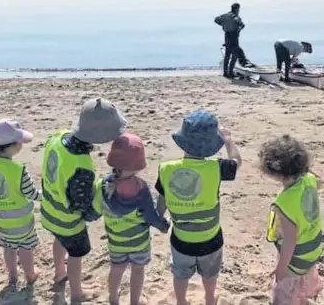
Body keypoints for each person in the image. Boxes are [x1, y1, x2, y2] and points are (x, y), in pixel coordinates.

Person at [40, 98, 126, 304]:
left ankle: (59, 273)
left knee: (59, 241)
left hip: (50, 210)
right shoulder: (82, 164)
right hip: (68, 221)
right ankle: (77, 293)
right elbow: (81, 204)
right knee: (76, 253)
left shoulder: (57, 137)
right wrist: (100, 190)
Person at [155, 109, 242, 305]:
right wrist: (228, 140)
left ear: (182, 141)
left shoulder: (166, 169)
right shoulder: (216, 168)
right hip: (210, 238)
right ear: (212, 146)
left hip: (181, 239)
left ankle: (181, 301)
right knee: (210, 275)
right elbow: (237, 162)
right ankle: (209, 299)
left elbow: (160, 208)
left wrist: (162, 221)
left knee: (181, 274)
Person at [92, 133, 170, 305]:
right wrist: (163, 226)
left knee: (116, 269)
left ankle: (113, 299)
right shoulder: (142, 189)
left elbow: (96, 210)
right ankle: (134, 301)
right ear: (138, 165)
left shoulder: (102, 185)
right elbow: (150, 216)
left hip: (116, 241)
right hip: (139, 242)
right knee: (138, 270)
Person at [259, 135, 323, 305]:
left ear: (275, 173)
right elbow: (320, 182)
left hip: (296, 257)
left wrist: (281, 270)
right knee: (303, 281)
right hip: (313, 250)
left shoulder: (284, 203)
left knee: (283, 294)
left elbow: (290, 241)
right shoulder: (309, 179)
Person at [0, 119, 41, 285]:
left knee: (8, 246)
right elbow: (32, 194)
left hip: (0, 219)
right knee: (25, 247)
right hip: (21, 221)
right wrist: (48, 196)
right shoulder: (18, 170)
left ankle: (12, 276)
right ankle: (30, 274)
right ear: (13, 146)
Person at [215, 3, 245, 78]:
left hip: (227, 35)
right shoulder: (234, 16)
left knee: (227, 55)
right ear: (236, 9)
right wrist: (239, 29)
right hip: (234, 36)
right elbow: (242, 24)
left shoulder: (225, 15)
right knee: (235, 55)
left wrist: (223, 25)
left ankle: (225, 72)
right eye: (238, 9)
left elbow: (216, 20)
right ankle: (230, 72)